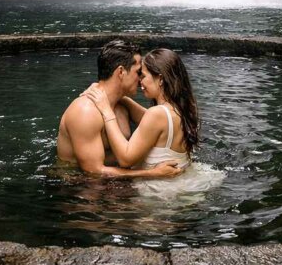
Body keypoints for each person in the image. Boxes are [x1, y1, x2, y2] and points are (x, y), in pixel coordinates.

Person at [56, 39, 183, 179]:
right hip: (80, 187)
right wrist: (152, 173)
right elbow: (93, 171)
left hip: (116, 183)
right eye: (138, 72)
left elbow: (162, 122)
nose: (140, 79)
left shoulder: (121, 105)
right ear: (121, 72)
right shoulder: (85, 111)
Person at [81, 47, 198, 174]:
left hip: (160, 190)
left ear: (161, 79)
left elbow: (125, 159)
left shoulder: (157, 114)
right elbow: (144, 117)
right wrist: (113, 94)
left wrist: (106, 110)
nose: (139, 81)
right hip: (185, 181)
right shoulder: (180, 110)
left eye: (143, 75)